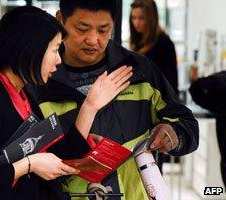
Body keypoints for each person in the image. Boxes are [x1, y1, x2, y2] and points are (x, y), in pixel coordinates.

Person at [0, 6, 132, 199]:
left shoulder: (23, 94)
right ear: (30, 49)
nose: (58, 61)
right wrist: (30, 164)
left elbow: (54, 156)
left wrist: (90, 107)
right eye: (55, 50)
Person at [34, 0, 199, 199]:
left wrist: (174, 134)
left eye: (104, 30)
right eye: (82, 28)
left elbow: (186, 123)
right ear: (60, 20)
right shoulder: (39, 81)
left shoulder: (139, 71)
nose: (93, 40)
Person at [130, 0, 179, 96]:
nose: (136, 23)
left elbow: (167, 82)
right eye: (133, 18)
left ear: (151, 19)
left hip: (160, 101)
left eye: (141, 18)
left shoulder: (164, 43)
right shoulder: (138, 42)